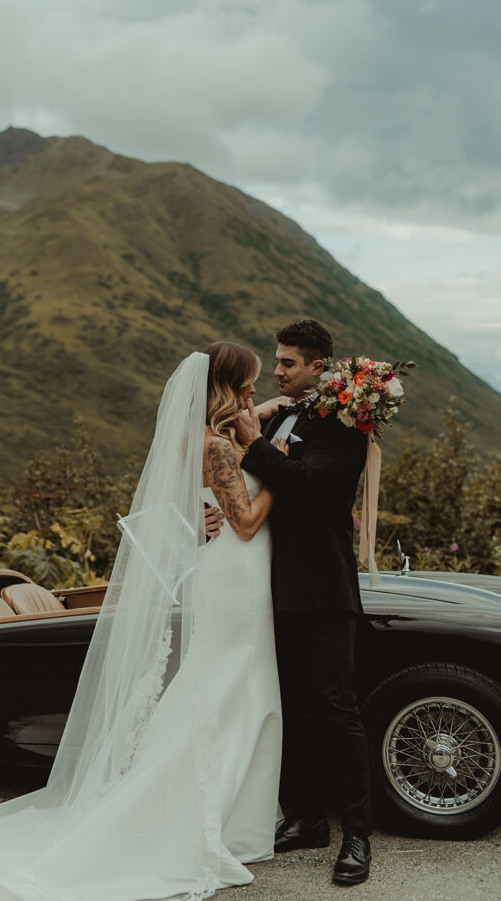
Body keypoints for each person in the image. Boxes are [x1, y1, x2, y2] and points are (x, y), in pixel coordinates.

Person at [0, 343, 284, 901]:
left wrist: (266, 426)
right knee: (228, 689)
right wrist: (280, 471)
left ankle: (235, 821)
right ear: (226, 386)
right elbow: (242, 522)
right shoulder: (216, 444)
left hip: (238, 575)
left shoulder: (214, 438)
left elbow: (216, 485)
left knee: (241, 690)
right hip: (235, 575)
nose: (252, 395)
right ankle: (198, 818)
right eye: (247, 386)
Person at [231, 318, 373, 887]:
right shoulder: (284, 412)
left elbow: (307, 485)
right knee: (290, 704)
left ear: (319, 366)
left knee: (337, 710)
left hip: (322, 586)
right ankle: (308, 818)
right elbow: (260, 487)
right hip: (273, 585)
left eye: (288, 362)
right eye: (278, 360)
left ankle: (358, 836)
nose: (279, 370)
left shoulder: (347, 422)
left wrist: (252, 442)